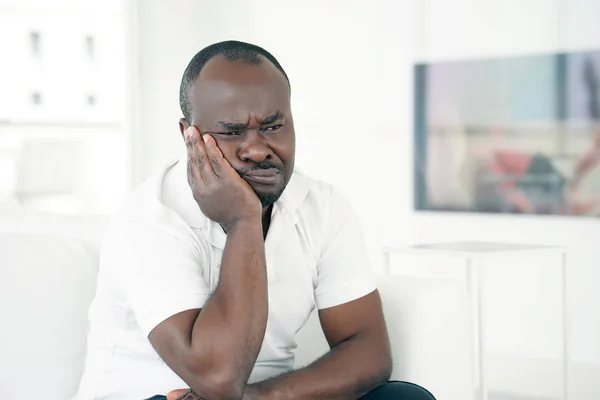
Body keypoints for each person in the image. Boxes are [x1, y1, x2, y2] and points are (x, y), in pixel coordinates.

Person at [75, 40, 435, 400]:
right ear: (190, 136)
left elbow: (369, 351)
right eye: (232, 132)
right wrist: (243, 221)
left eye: (273, 126)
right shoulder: (150, 219)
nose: (258, 149)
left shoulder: (321, 207)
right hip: (158, 395)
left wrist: (262, 397)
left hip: (262, 395)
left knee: (405, 398)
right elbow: (217, 379)